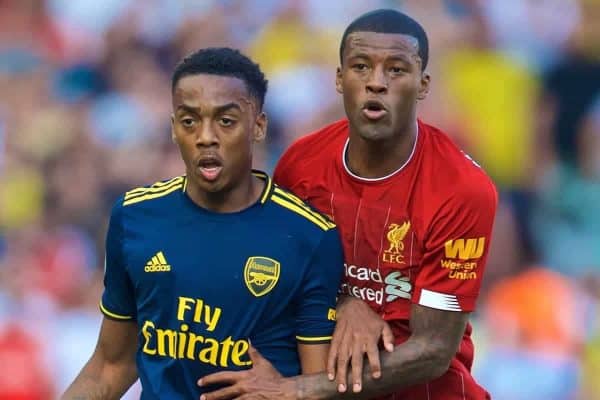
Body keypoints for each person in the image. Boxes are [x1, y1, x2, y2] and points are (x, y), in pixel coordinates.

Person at [199, 9, 497, 400]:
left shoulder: (462, 190)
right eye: (361, 66)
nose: (376, 83)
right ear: (339, 79)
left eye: (396, 70)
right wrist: (345, 302)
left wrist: (297, 391)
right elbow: (279, 275)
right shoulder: (301, 164)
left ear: (423, 84)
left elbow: (433, 351)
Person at [61, 47, 344, 399]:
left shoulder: (309, 236)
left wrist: (286, 391)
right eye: (189, 120)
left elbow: (318, 386)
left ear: (258, 126)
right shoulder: (134, 217)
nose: (206, 136)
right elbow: (111, 365)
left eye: (225, 121)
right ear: (174, 128)